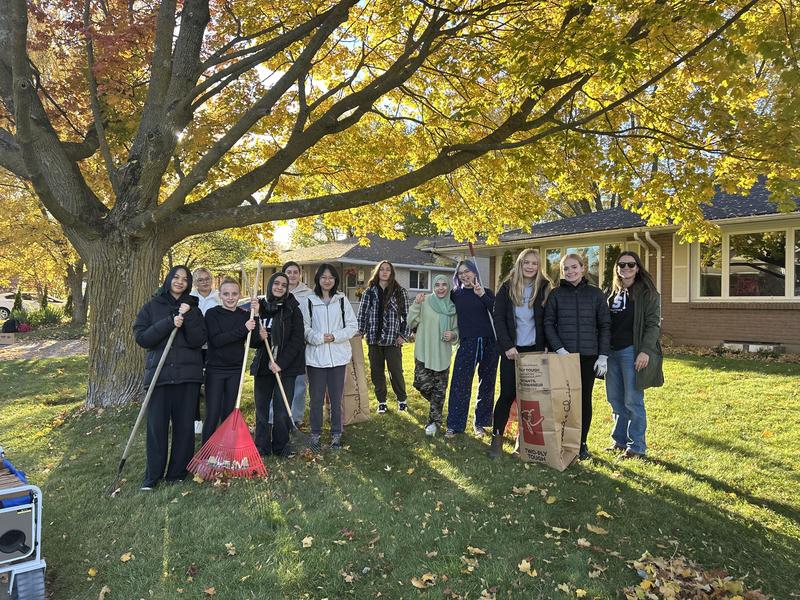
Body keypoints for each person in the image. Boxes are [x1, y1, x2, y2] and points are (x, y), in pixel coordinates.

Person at [133, 265, 207, 490]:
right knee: (157, 428)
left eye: (185, 279)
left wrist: (188, 316)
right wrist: (169, 322)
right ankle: (152, 476)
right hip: (160, 376)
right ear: (168, 279)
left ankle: (177, 473)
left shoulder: (194, 308)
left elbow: (198, 340)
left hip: (187, 377)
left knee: (184, 427)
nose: (180, 282)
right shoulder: (152, 306)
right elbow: (142, 338)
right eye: (176, 277)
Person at [543, 253, 611, 461]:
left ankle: (581, 443)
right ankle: (561, 441)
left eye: (574, 267)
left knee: (583, 401)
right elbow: (548, 324)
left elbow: (605, 325)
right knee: (562, 402)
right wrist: (559, 348)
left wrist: (603, 356)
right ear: (562, 272)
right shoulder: (555, 295)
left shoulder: (595, 294)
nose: (570, 272)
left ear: (583, 269)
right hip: (563, 358)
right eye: (566, 269)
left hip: (588, 357)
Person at [489, 249, 553, 458]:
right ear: (519, 263)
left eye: (534, 263)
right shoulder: (506, 287)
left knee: (529, 399)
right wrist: (507, 346)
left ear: (539, 266)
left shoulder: (545, 287)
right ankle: (497, 439)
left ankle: (522, 442)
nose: (530, 266)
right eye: (526, 262)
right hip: (511, 351)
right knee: (507, 394)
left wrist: (546, 345)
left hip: (534, 351)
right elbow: (498, 319)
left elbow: (548, 319)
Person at [605, 251, 664, 459]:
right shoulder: (611, 293)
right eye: (622, 265)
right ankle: (619, 440)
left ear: (638, 268)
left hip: (632, 351)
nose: (626, 268)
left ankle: (637, 446)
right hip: (611, 352)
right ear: (617, 268)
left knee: (633, 400)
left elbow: (653, 324)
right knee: (614, 399)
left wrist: (645, 351)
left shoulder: (647, 293)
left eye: (631, 265)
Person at [301, 264, 358, 451]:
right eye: (324, 277)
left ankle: (336, 434)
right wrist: (318, 338)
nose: (327, 280)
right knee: (316, 399)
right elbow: (304, 328)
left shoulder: (342, 300)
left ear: (335, 280)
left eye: (331, 277)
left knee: (336, 399)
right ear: (318, 279)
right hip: (316, 358)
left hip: (338, 358)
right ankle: (315, 435)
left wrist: (334, 336)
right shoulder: (308, 301)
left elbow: (352, 326)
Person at [251, 272, 305, 457]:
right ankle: (262, 446)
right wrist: (259, 335)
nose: (280, 287)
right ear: (270, 285)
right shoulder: (260, 307)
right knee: (261, 409)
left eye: (284, 284)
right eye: (276, 283)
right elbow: (251, 342)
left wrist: (281, 363)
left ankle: (281, 445)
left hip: (285, 367)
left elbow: (297, 340)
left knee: (282, 410)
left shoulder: (292, 309)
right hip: (263, 365)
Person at [446, 259, 498, 438]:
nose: (464, 275)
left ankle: (480, 424)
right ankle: (455, 424)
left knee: (487, 384)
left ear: (475, 272)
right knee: (460, 383)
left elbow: (498, 314)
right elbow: (441, 306)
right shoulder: (455, 295)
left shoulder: (486, 292)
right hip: (467, 343)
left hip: (490, 343)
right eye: (460, 273)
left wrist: (483, 295)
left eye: (467, 271)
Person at [201, 278, 255, 444]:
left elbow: (254, 342)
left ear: (240, 295)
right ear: (220, 295)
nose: (230, 297)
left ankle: (224, 449)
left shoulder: (245, 315)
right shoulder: (212, 314)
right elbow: (217, 340)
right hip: (215, 370)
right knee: (213, 412)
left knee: (229, 412)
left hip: (235, 370)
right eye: (226, 294)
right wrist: (243, 329)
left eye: (234, 294)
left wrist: (257, 314)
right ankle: (206, 452)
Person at [356, 261, 411, 414]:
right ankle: (382, 402)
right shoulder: (369, 292)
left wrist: (402, 335)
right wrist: (361, 331)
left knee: (396, 371)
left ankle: (402, 400)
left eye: (388, 270)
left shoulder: (400, 292)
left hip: (392, 341)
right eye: (382, 270)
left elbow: (408, 316)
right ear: (377, 272)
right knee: (376, 372)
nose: (385, 272)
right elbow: (363, 314)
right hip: (373, 339)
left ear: (391, 272)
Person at [408, 274, 459, 436]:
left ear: (449, 287)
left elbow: (457, 330)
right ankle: (436, 405)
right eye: (437, 285)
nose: (441, 288)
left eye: (444, 284)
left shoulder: (452, 306)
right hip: (423, 351)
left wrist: (453, 335)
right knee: (421, 384)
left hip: (442, 354)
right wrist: (416, 304)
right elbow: (411, 321)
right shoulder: (425, 301)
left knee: (439, 389)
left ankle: (434, 422)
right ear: (433, 287)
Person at [282, 261, 312, 428]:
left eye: (295, 272)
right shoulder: (278, 290)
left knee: (300, 382)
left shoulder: (308, 294)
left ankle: (296, 417)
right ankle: (276, 415)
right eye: (289, 272)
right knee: (278, 381)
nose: (292, 275)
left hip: (300, 342)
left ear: (300, 274)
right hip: (281, 343)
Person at [190, 267, 220, 435]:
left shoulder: (218, 297)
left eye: (207, 278)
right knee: (195, 382)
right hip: (194, 347)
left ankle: (212, 418)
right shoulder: (191, 298)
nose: (204, 282)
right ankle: (196, 419)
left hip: (213, 347)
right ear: (195, 282)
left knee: (212, 383)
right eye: (200, 279)